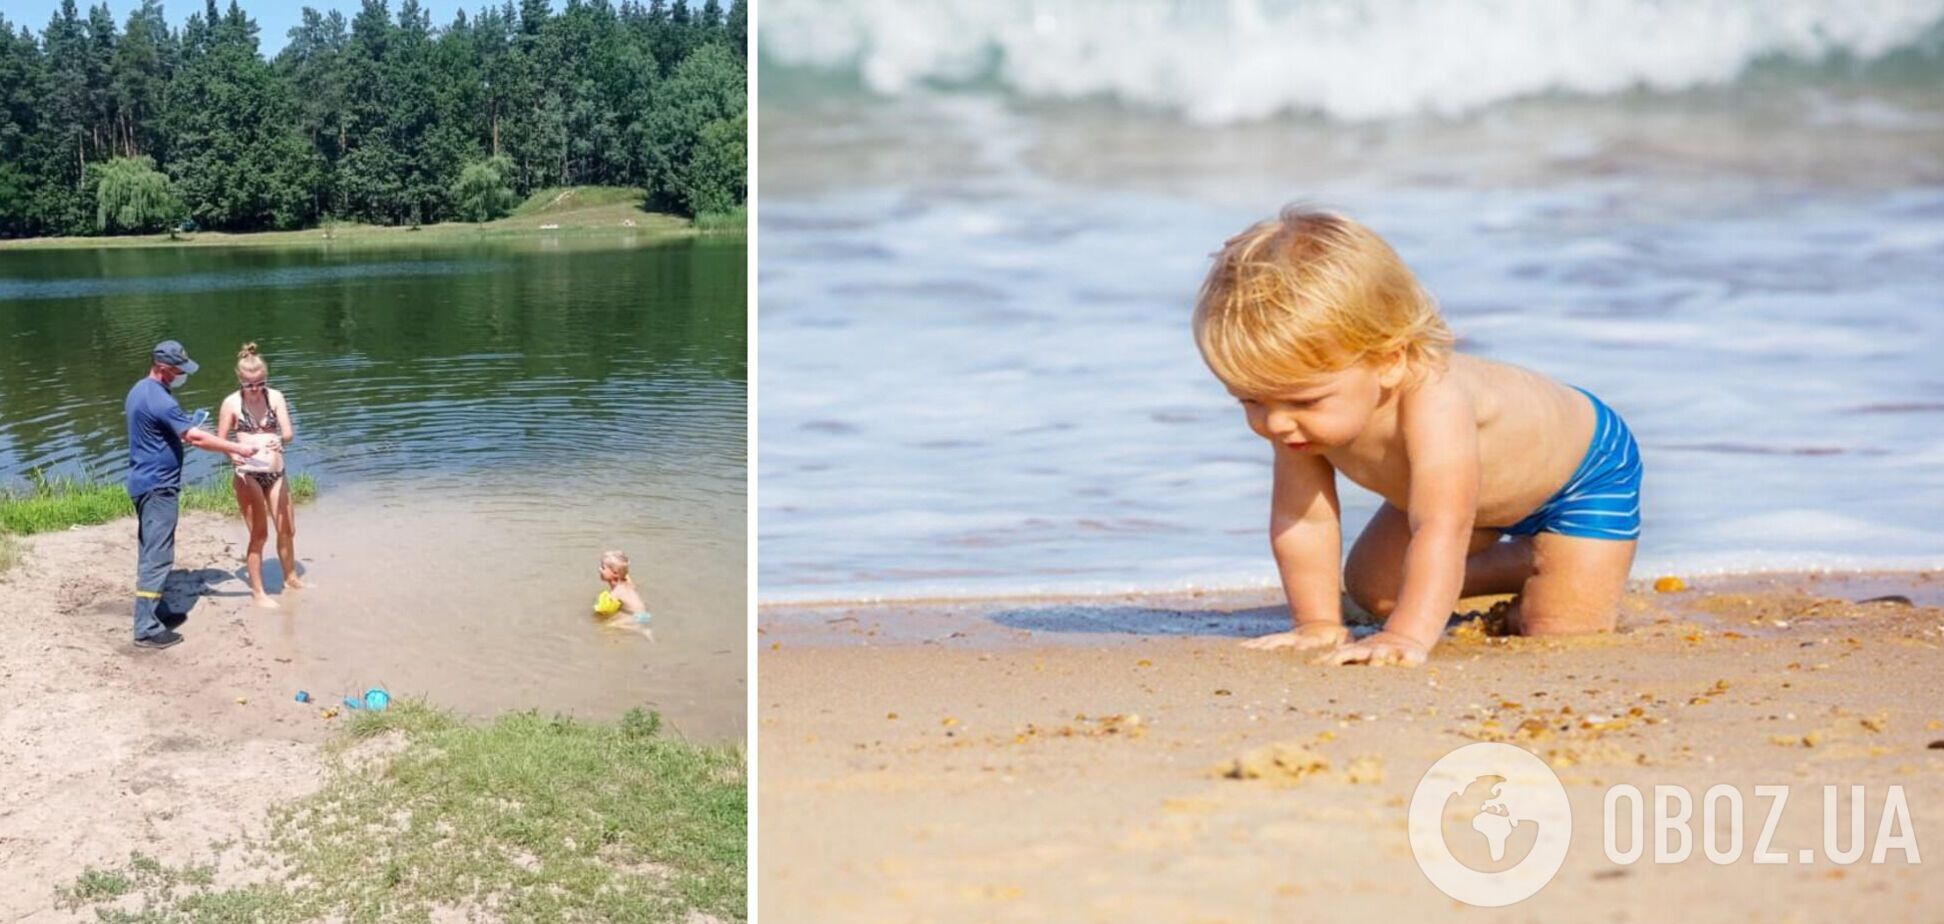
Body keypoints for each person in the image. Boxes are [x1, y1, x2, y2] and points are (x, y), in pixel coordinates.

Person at [1191, 207, 1643, 667]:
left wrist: (1408, 635)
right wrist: (1318, 624)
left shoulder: (1435, 400)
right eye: (1250, 401)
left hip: (1583, 476)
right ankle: (1528, 559)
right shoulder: (1293, 416)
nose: (1276, 424)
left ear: (1389, 360)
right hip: (1473, 500)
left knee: (1559, 631)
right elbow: (1303, 520)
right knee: (1377, 591)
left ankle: (1559, 559)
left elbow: (1439, 526)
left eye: (1305, 402)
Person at [125, 340, 262, 649]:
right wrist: (237, 448)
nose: (182, 375)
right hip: (157, 487)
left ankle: (156, 610)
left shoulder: (141, 390)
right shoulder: (159, 399)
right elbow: (195, 438)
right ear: (162, 368)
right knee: (157, 556)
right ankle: (145, 628)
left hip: (144, 481)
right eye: (178, 370)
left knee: (153, 550)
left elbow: (168, 431)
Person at [216, 342, 303, 608]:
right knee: (260, 534)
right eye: (250, 385)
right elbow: (221, 441)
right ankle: (258, 592)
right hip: (248, 474)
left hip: (276, 472)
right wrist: (234, 455)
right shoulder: (231, 403)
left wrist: (280, 439)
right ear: (240, 380)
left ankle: (290, 578)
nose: (255, 389)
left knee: (287, 529)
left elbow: (288, 433)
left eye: (260, 383)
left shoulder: (275, 397)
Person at [595, 550, 655, 639]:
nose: (599, 569)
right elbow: (626, 575)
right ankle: (645, 630)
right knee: (619, 615)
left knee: (606, 626)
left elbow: (604, 612)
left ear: (615, 573)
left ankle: (642, 630)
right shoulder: (628, 582)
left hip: (635, 618)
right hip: (644, 615)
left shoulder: (616, 592)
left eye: (603, 568)